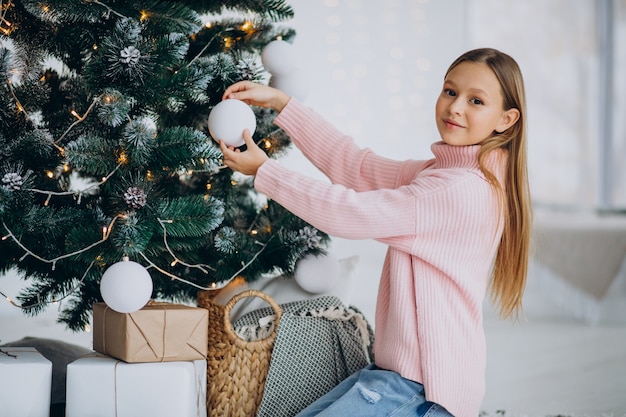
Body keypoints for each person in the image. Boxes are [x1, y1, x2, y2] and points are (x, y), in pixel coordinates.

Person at [219, 47, 532, 417]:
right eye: (450, 91)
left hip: (424, 391)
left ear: (506, 119)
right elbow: (356, 166)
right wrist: (285, 106)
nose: (455, 107)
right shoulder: (443, 174)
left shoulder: (456, 191)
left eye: (476, 100)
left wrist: (266, 172)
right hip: (401, 377)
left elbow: (348, 212)